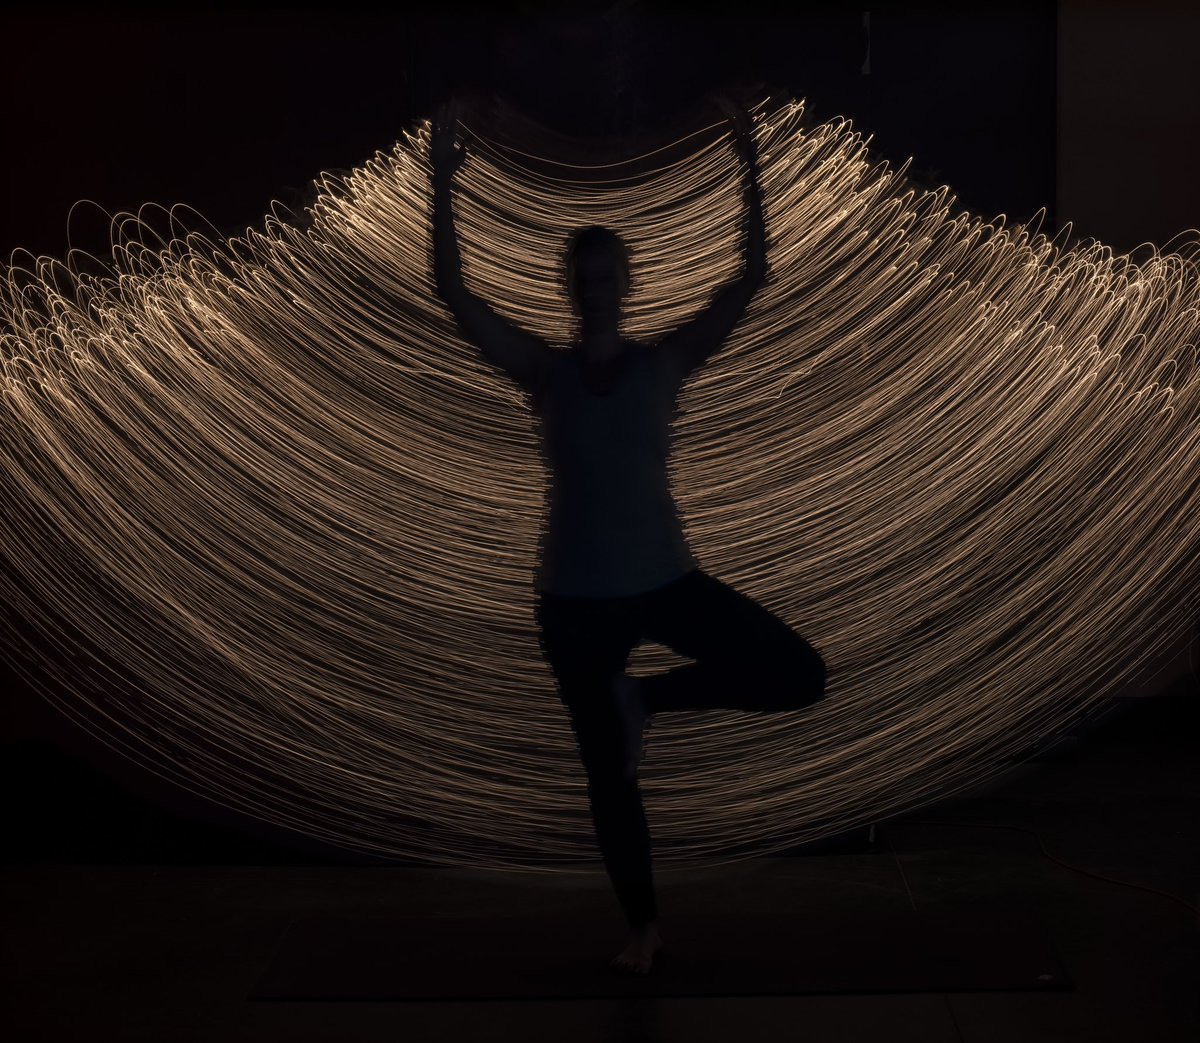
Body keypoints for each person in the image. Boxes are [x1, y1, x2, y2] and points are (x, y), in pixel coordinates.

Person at [429, 95, 827, 976]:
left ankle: (645, 699)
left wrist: (749, 162)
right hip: (573, 606)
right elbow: (455, 294)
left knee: (800, 675)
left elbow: (750, 278)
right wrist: (440, 183)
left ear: (628, 286)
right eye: (585, 278)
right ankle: (644, 928)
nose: (598, 290)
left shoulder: (662, 363)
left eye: (610, 277)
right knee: (610, 782)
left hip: (663, 581)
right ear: (570, 290)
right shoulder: (545, 371)